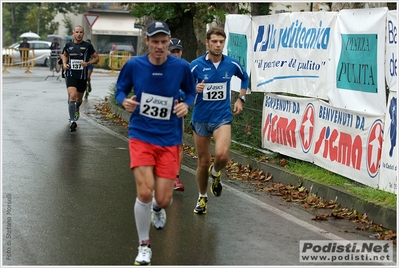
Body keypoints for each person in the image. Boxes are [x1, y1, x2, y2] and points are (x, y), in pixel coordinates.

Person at [114, 21, 195, 265]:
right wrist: (123, 101)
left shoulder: (181, 67)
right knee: (145, 191)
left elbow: (190, 92)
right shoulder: (134, 65)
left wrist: (186, 104)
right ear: (147, 42)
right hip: (141, 135)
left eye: (163, 41)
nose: (159, 46)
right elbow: (120, 89)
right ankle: (144, 246)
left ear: (169, 41)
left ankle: (158, 210)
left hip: (169, 139)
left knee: (163, 199)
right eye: (155, 41)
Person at [189, 27, 249, 214]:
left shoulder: (231, 64)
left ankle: (216, 174)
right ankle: (202, 197)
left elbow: (245, 78)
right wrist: (194, 88)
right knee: (203, 162)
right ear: (207, 43)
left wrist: (240, 98)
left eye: (221, 42)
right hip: (200, 118)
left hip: (222, 117)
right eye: (214, 41)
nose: (218, 45)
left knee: (222, 156)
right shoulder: (196, 65)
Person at [61, 26, 99, 132]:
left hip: (82, 76)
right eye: (76, 32)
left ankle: (76, 107)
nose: (78, 34)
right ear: (73, 33)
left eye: (80, 32)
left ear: (83, 33)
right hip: (70, 74)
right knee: (72, 96)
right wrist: (64, 64)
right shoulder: (68, 45)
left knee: (78, 100)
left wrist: (87, 63)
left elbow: (97, 58)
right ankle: (72, 120)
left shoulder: (87, 46)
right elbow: (64, 55)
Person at [168, 37, 186, 191]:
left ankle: (176, 177)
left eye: (177, 51)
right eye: (172, 51)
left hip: (177, 111)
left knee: (178, 145)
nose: (175, 54)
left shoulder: (186, 67)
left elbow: (191, 89)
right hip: (159, 110)